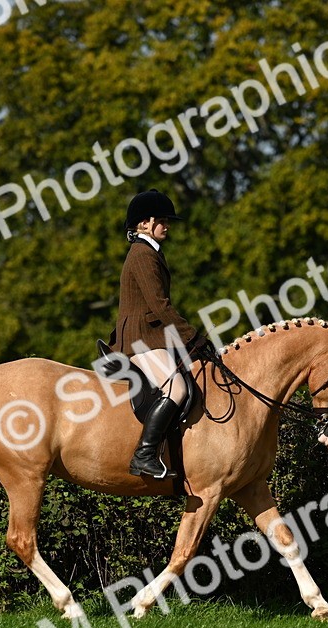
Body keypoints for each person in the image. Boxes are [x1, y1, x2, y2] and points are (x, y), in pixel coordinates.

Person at [109, 189, 213, 479]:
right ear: (144, 223)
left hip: (151, 336)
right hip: (140, 338)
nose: (167, 225)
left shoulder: (150, 252)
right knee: (176, 389)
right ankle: (144, 455)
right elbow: (160, 305)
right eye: (162, 220)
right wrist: (193, 338)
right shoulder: (142, 254)